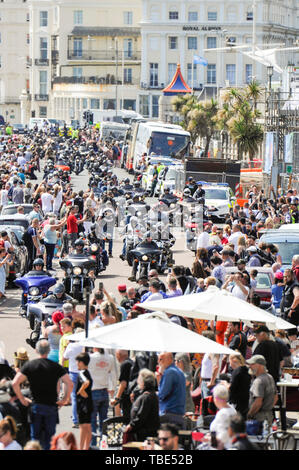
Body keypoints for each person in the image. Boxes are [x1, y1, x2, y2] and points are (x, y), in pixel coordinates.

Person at [12, 339, 73, 450]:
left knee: (35, 438)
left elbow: (15, 383)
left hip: (36, 406)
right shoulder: (55, 366)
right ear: (49, 351)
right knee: (49, 439)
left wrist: (22, 399)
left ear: (36, 350)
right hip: (51, 407)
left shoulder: (30, 365)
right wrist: (64, 399)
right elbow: (69, 383)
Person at [124, 368, 160, 442]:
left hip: (145, 434)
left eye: (139, 378)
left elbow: (141, 415)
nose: (137, 381)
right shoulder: (149, 395)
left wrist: (131, 425)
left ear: (144, 381)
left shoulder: (147, 396)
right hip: (144, 432)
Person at [88, 347, 114, 447]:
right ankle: (103, 444)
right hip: (104, 390)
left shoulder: (90, 358)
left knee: (92, 421)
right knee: (104, 421)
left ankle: (93, 445)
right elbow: (112, 373)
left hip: (94, 390)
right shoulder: (110, 358)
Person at [246, 354, 278, 427]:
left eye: (252, 364)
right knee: (267, 437)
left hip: (259, 418)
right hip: (268, 415)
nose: (250, 366)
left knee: (257, 438)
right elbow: (275, 397)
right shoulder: (270, 377)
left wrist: (249, 415)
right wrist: (268, 407)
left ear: (260, 365)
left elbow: (258, 402)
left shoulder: (258, 381)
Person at [156, 352, 186, 428]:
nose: (158, 362)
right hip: (179, 412)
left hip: (169, 412)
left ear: (169, 359)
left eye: (160, 359)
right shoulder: (179, 371)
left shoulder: (169, 372)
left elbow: (163, 393)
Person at [209, 384, 237, 449]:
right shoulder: (232, 409)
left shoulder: (223, 413)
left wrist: (208, 439)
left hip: (224, 446)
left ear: (215, 399)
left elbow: (223, 436)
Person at [75, 352, 93, 451]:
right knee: (87, 426)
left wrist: (80, 390)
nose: (77, 364)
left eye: (78, 362)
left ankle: (81, 447)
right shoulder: (86, 372)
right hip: (87, 403)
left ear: (82, 362)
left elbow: (87, 382)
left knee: (83, 427)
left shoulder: (82, 373)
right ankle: (85, 447)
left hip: (83, 404)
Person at [111, 350, 133, 424]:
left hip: (127, 396)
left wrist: (116, 398)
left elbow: (123, 383)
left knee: (127, 419)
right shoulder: (131, 362)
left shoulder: (125, 364)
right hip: (132, 395)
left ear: (119, 355)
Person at [228, 353, 251, 419]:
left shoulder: (236, 371)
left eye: (230, 362)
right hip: (245, 400)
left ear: (233, 360)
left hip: (236, 401)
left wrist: (225, 384)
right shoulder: (246, 370)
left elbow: (231, 388)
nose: (230, 365)